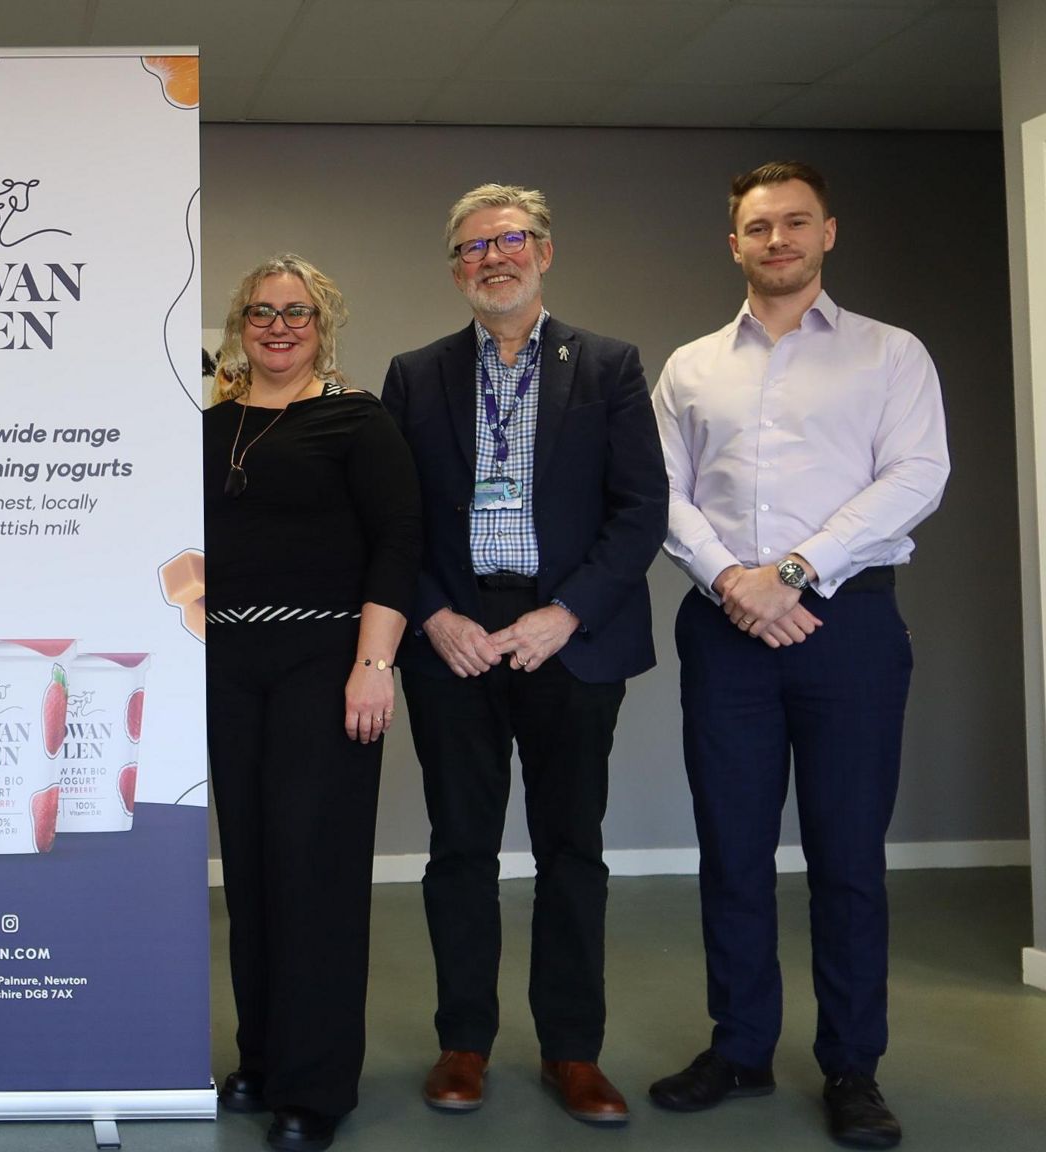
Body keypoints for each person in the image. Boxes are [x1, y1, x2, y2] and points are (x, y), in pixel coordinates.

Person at [648, 161, 948, 1151]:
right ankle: (738, 1048)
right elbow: (660, 493)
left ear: (826, 232)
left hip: (848, 628)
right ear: (730, 243)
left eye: (792, 223)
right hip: (723, 627)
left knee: (845, 857)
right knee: (731, 852)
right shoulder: (690, 366)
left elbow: (915, 475)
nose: (774, 240)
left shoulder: (888, 354)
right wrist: (735, 581)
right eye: (754, 226)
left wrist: (792, 569)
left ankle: (850, 1069)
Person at [381, 184, 666, 1127]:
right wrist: (432, 617)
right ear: (454, 267)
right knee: (460, 851)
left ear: (544, 250)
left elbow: (640, 514)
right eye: (469, 248)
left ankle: (572, 1051)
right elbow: (393, 524)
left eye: (508, 241)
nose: (489, 259)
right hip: (455, 645)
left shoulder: (612, 367)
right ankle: (463, 1041)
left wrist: (566, 615)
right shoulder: (415, 376)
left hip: (568, 644)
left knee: (571, 852)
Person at [205, 254, 420, 1152]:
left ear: (322, 323)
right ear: (239, 323)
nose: (278, 325)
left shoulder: (357, 419)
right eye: (262, 311)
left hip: (324, 659)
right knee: (250, 866)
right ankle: (262, 1057)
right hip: (225, 661)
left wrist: (376, 664)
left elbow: (400, 542)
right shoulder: (210, 424)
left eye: (296, 312)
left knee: (314, 870)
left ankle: (317, 1084)